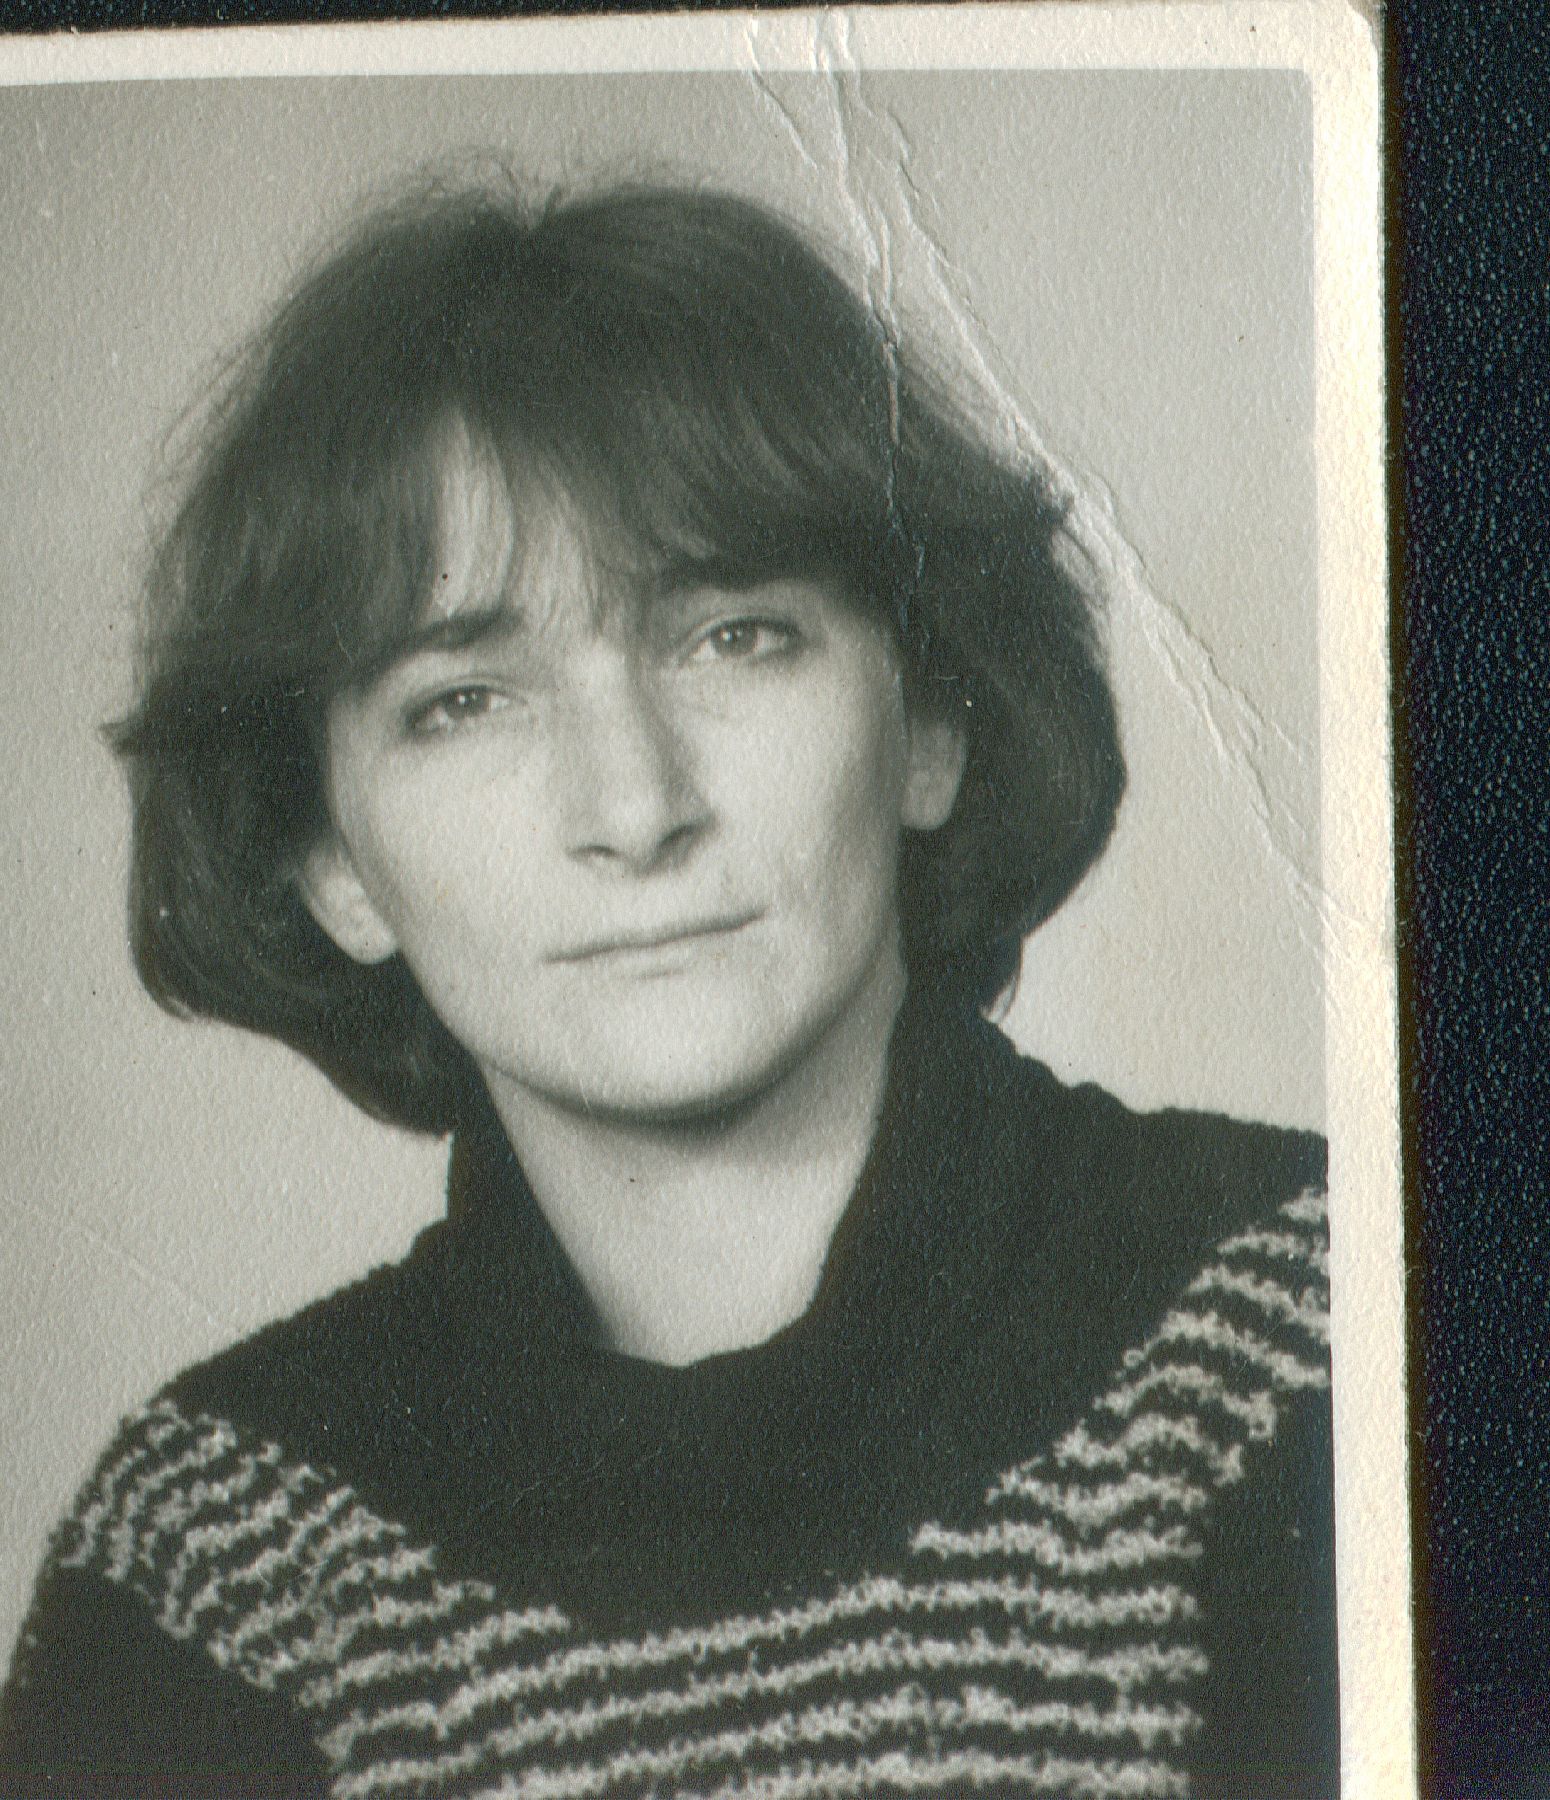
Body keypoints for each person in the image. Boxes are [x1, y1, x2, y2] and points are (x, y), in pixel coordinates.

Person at [0, 181, 1337, 1798]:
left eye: (734, 638)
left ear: (929, 723)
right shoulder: (214, 1565)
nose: (633, 808)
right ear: (330, 863)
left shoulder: (1316, 1335)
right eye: (464, 700)